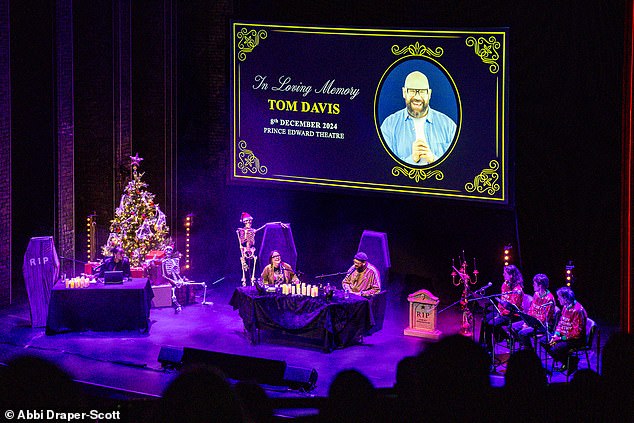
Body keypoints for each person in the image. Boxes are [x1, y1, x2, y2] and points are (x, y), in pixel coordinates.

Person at [380, 71, 456, 165]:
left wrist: (434, 160)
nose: (417, 97)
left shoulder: (449, 126)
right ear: (404, 92)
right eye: (412, 90)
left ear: (429, 94)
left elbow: (458, 165)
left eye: (422, 91)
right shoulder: (389, 126)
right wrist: (411, 160)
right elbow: (381, 165)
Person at [480, 264, 524, 354]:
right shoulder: (504, 284)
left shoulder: (518, 289)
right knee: (484, 319)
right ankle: (483, 345)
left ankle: (490, 349)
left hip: (512, 314)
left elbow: (512, 306)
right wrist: (499, 311)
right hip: (502, 311)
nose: (503, 275)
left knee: (490, 323)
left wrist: (501, 313)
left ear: (511, 276)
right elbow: (502, 300)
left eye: (505, 273)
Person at [544, 286, 587, 374]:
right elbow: (561, 323)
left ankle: (570, 362)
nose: (558, 299)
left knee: (555, 348)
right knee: (545, 342)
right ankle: (568, 361)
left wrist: (560, 339)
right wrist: (556, 334)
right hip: (565, 336)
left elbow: (576, 333)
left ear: (566, 298)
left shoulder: (577, 310)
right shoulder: (565, 307)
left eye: (559, 297)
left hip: (576, 339)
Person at [511, 273, 555, 349]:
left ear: (540, 285)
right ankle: (524, 346)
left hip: (542, 325)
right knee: (512, 327)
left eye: (534, 284)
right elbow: (531, 310)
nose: (533, 285)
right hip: (532, 322)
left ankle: (529, 352)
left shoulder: (549, 299)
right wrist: (526, 322)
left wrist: (528, 325)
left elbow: (544, 319)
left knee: (522, 333)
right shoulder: (536, 294)